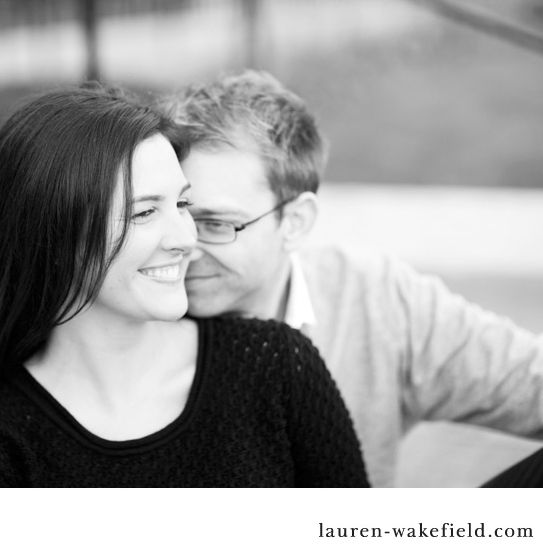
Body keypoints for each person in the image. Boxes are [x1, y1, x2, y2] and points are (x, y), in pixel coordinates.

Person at [0, 83, 369, 488]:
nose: (186, 239)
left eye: (183, 204)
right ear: (51, 235)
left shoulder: (275, 366)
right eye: (145, 212)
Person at [163, 69, 543, 488]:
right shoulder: (132, 306)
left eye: (215, 223)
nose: (182, 246)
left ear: (295, 222)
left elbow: (527, 381)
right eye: (168, 214)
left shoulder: (373, 298)